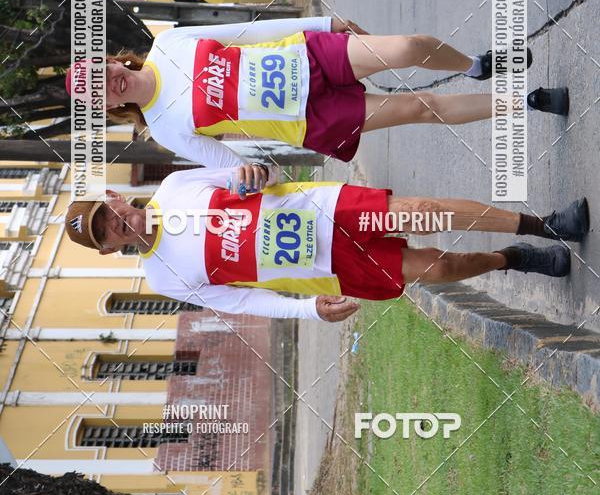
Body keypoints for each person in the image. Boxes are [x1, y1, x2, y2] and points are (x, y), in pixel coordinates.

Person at [65, 17, 566, 188]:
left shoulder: (169, 43)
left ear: (112, 61)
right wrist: (245, 176)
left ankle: (475, 64)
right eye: (100, 91)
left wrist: (324, 25)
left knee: (409, 47)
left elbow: (245, 32)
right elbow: (227, 163)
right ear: (107, 106)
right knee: (419, 108)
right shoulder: (165, 128)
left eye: (102, 72)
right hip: (309, 119)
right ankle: (524, 101)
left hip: (308, 58)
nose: (110, 83)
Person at [64, 167, 589, 321]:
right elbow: (240, 300)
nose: (115, 224)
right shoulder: (163, 277)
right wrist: (309, 311)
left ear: (114, 198)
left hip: (322, 208)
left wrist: (255, 172)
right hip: (325, 265)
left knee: (427, 213)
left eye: (107, 214)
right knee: (437, 267)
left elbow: (256, 170)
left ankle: (542, 224)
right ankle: (511, 259)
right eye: (105, 233)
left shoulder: (177, 186)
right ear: (111, 250)